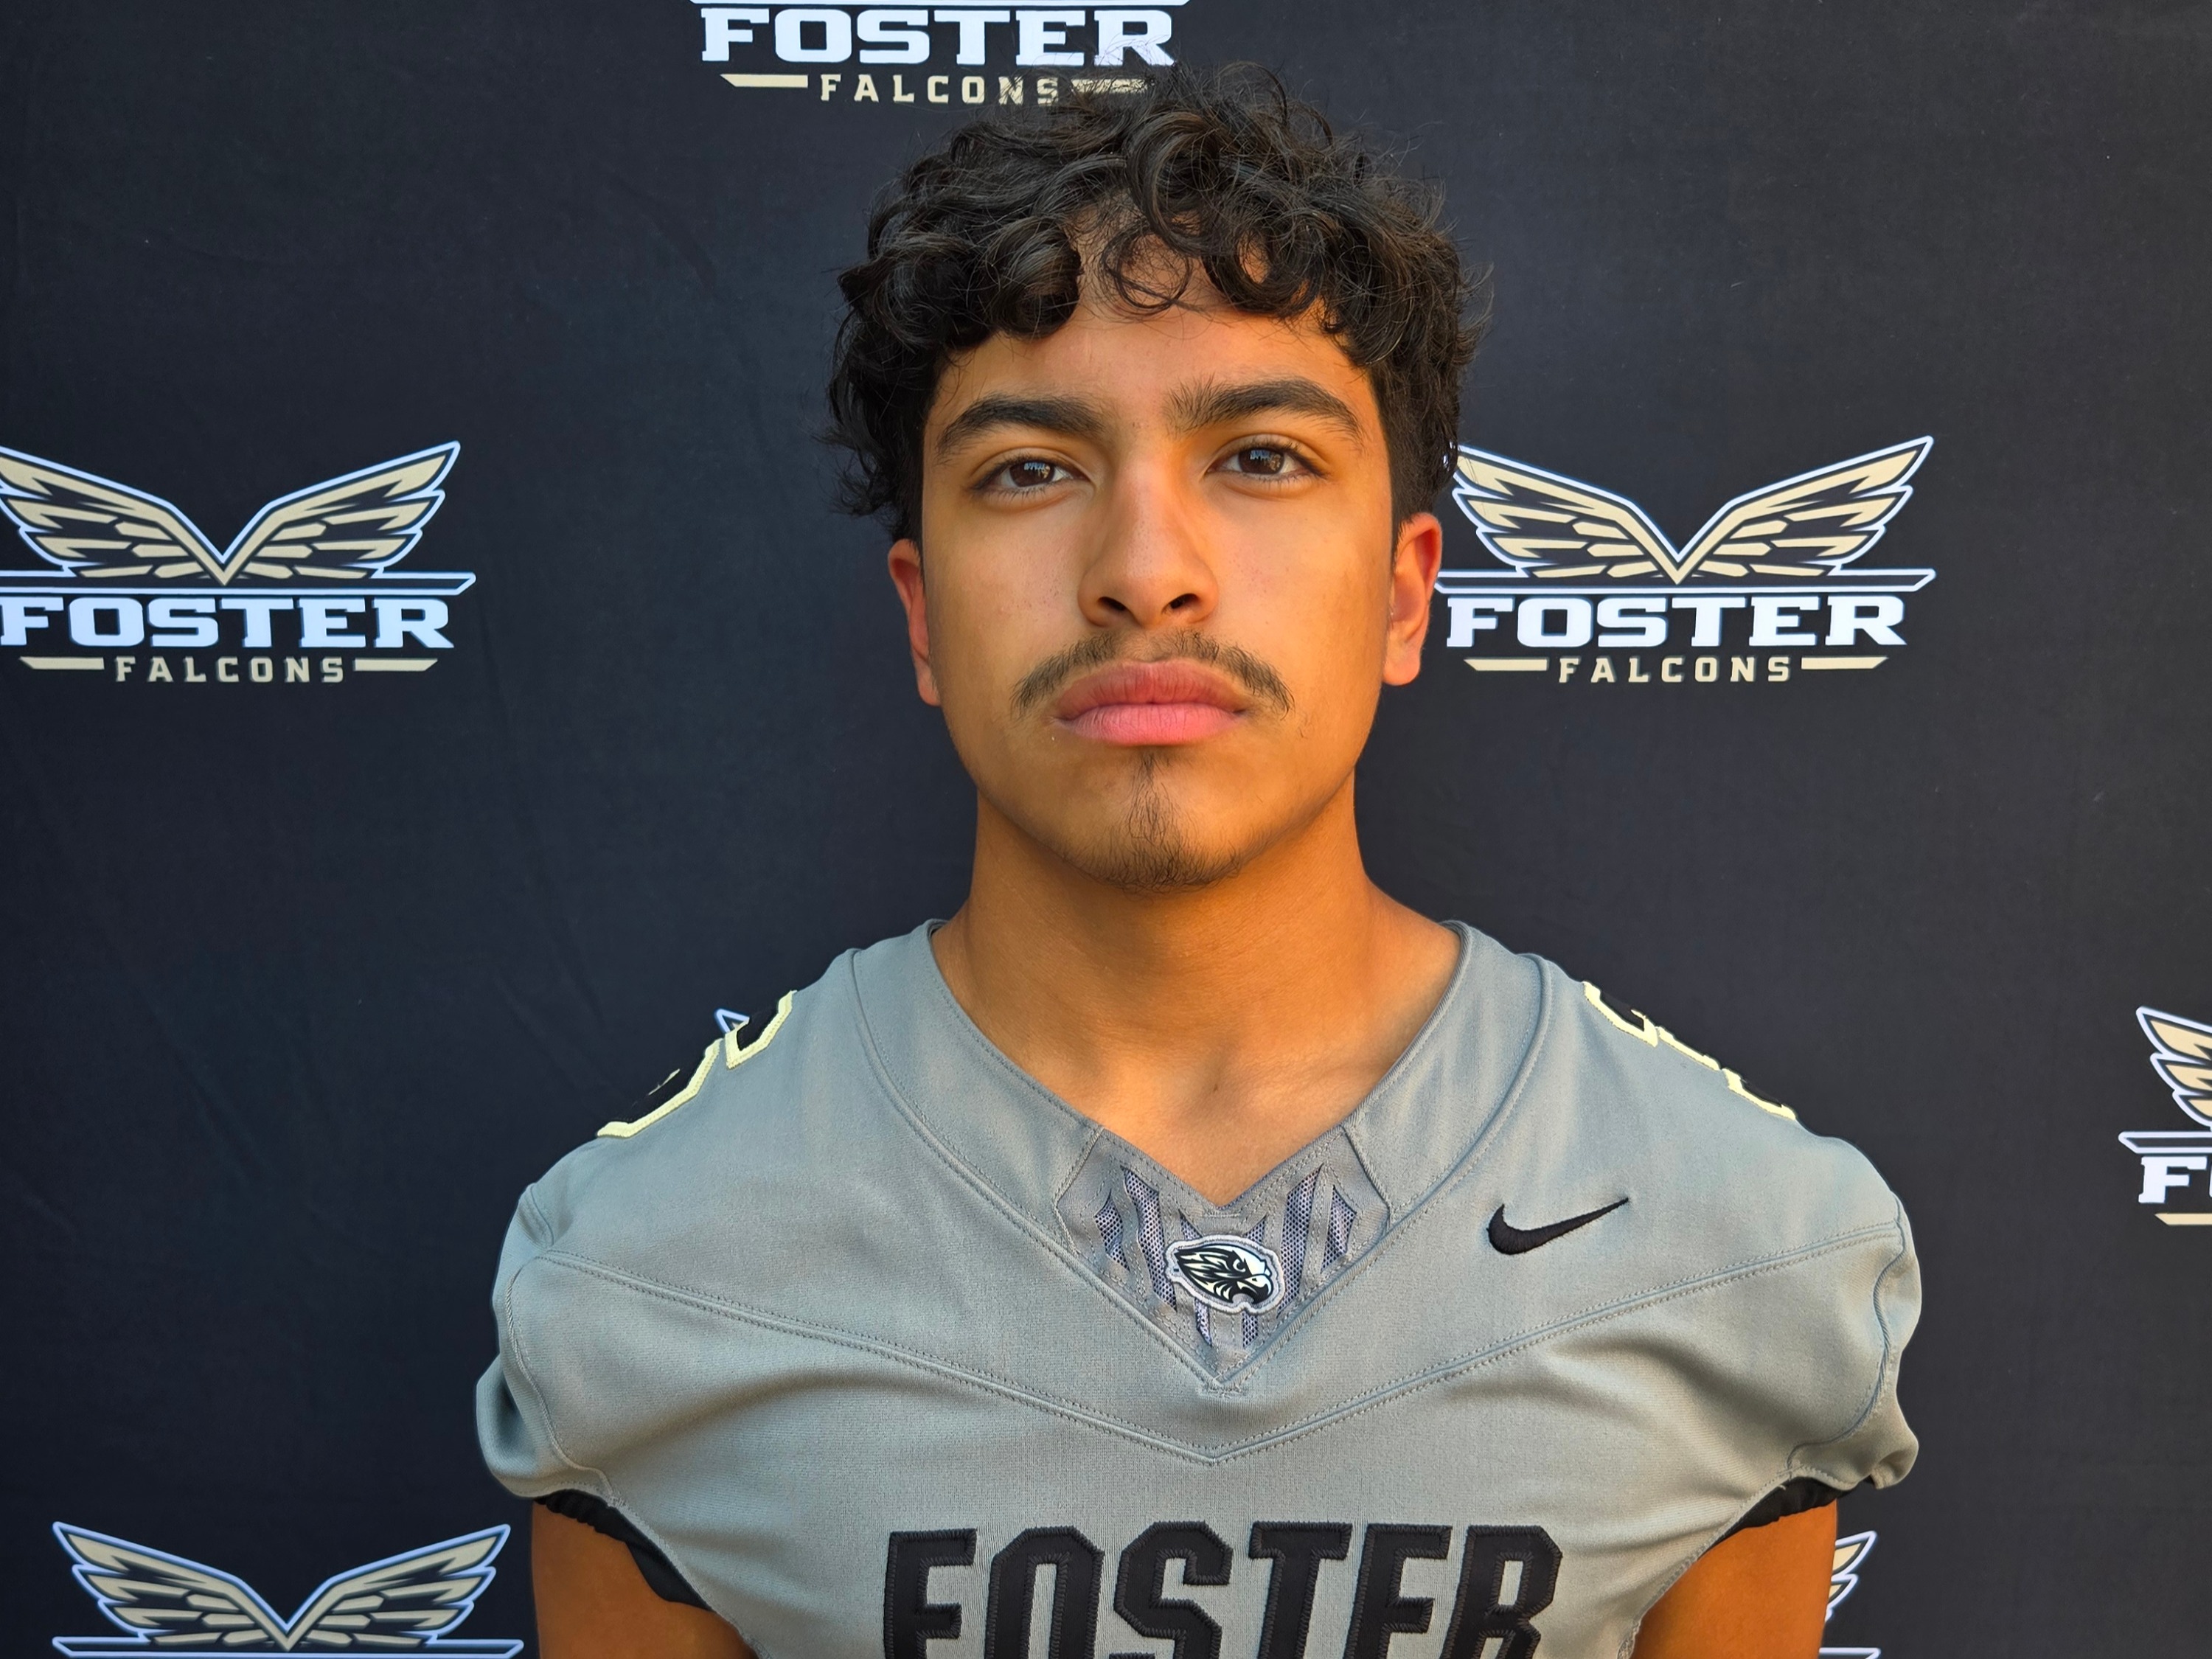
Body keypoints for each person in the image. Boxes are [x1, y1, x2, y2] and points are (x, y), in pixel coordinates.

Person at [478, 67, 1919, 1659]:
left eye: (1263, 458)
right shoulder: (657, 1265)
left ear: (1405, 593)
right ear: (922, 615)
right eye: (1031, 469)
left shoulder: (1732, 1233)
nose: (1145, 572)